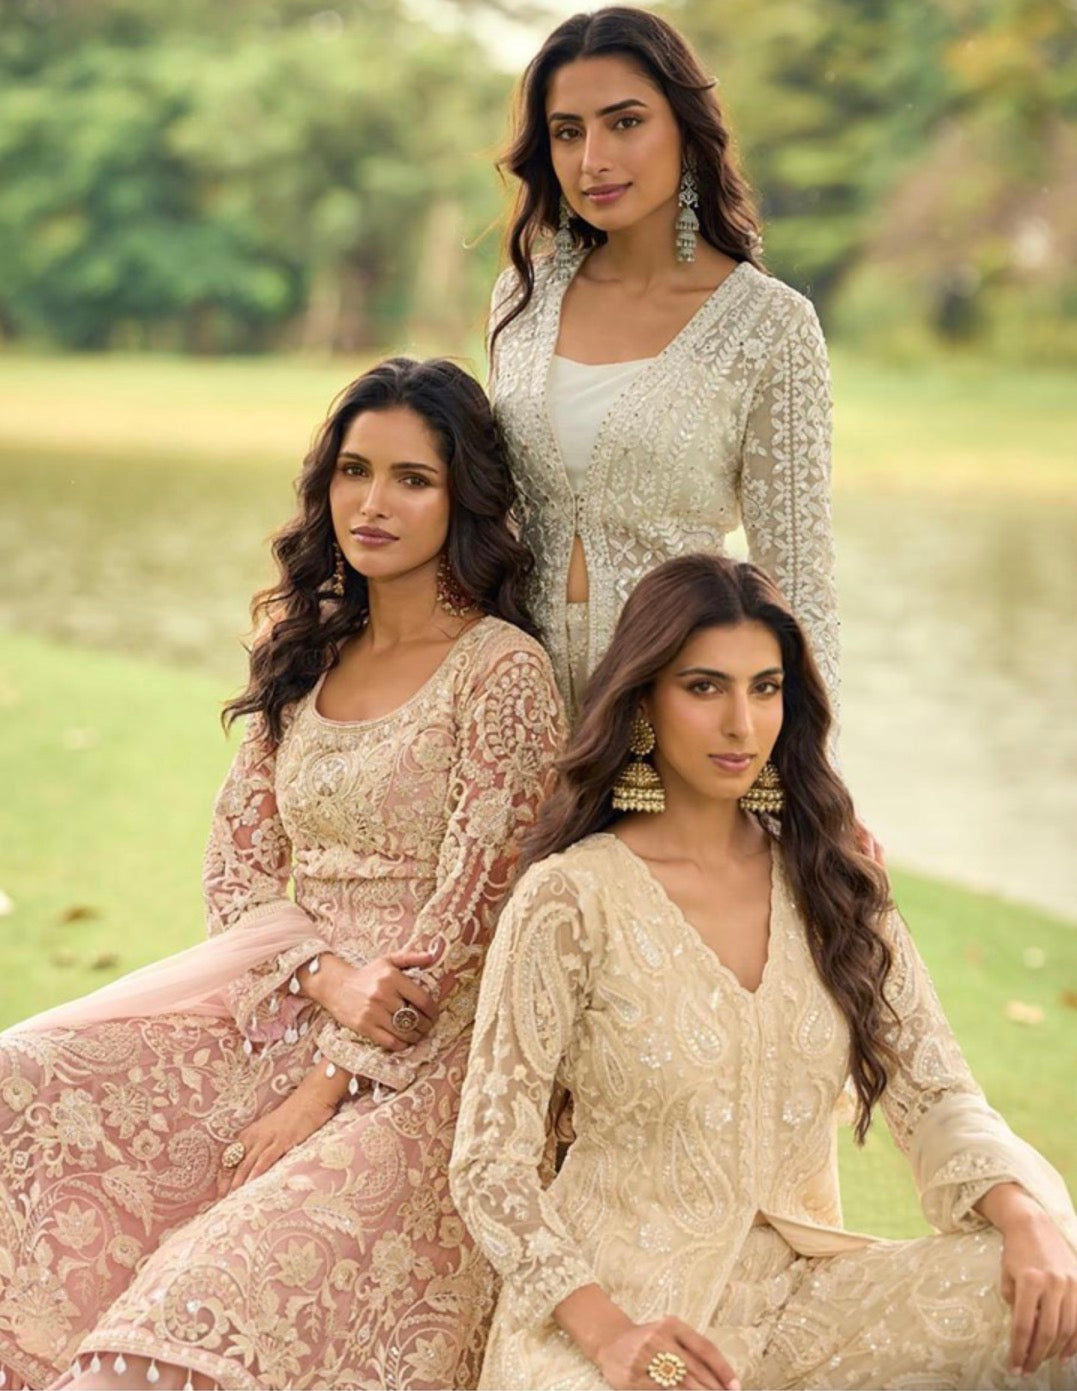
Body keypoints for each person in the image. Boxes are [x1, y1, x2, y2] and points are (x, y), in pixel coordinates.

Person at [0, 358, 563, 1391]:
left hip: (419, 1059)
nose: (373, 502)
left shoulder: (502, 672)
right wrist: (321, 975)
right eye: (354, 470)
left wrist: (324, 1086)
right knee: (20, 1078)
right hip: (282, 1002)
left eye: (411, 479)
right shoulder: (309, 652)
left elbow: (471, 919)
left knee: (200, 1297)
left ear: (465, 499)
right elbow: (238, 865)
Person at [450, 554, 1077, 1390]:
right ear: (644, 701)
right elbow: (489, 1164)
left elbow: (934, 1093)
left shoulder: (832, 884)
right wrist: (611, 1336)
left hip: (806, 1305)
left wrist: (1023, 1215)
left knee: (1046, 1297)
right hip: (616, 1316)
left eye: (765, 688)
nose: (741, 723)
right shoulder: (571, 897)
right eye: (703, 687)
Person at [488, 6, 837, 725]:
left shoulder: (769, 326)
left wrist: (807, 763)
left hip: (670, 717)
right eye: (567, 132)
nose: (593, 160)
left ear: (684, 127)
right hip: (516, 710)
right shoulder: (521, 299)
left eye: (625, 122)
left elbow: (798, 583)